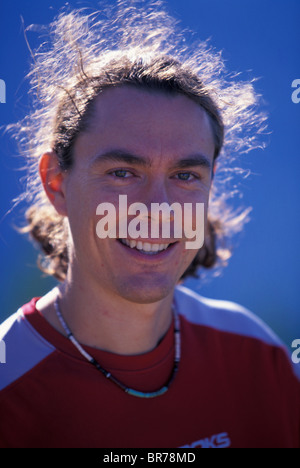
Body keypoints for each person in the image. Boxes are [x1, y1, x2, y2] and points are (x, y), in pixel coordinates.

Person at [0, 2, 299, 448]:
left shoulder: (258, 356)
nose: (157, 208)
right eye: (123, 172)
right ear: (56, 183)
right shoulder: (10, 383)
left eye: (185, 176)